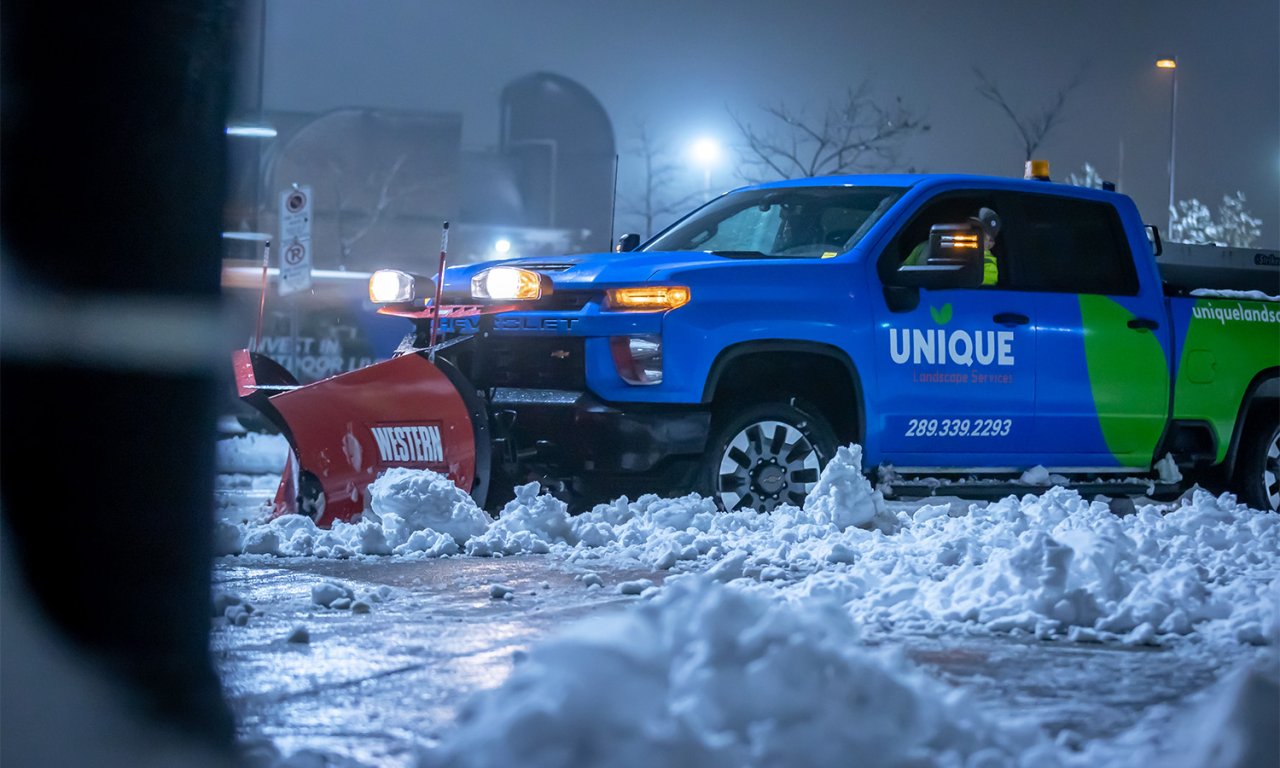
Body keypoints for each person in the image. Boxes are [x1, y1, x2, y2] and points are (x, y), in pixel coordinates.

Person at [902, 207, 1001, 286]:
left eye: (980, 233)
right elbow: (900, 277)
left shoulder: (989, 267)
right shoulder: (924, 248)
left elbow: (974, 297)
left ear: (990, 244)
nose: (972, 234)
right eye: (970, 228)